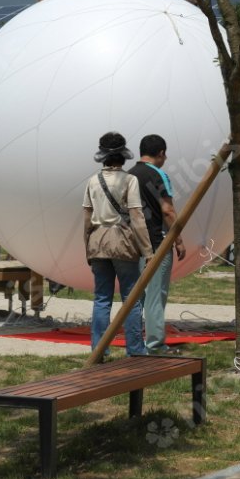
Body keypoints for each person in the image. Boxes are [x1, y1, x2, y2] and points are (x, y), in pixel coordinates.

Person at [83, 132, 153, 358]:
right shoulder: (129, 180)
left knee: (101, 299)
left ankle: (99, 350)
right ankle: (135, 350)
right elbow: (137, 217)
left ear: (102, 156)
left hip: (98, 242)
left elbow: (87, 218)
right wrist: (148, 251)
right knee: (130, 299)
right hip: (122, 241)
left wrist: (87, 247)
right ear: (123, 156)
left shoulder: (93, 181)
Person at [129, 134, 186, 355]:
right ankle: (155, 345)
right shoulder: (158, 175)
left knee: (135, 296)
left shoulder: (129, 175)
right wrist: (178, 240)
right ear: (161, 153)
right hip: (155, 243)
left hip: (131, 244)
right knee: (155, 295)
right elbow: (167, 210)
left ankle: (134, 344)